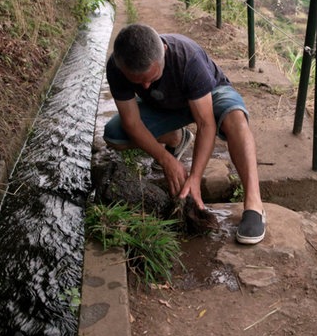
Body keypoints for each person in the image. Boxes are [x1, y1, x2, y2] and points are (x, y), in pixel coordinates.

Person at [103, 23, 266, 245]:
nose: (147, 85)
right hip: (164, 105)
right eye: (139, 82)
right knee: (115, 135)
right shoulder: (116, 66)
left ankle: (254, 203)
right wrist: (165, 159)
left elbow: (206, 124)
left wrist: (195, 177)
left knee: (235, 118)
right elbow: (131, 122)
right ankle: (176, 138)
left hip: (210, 95)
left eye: (152, 77)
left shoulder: (188, 59)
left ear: (164, 53)